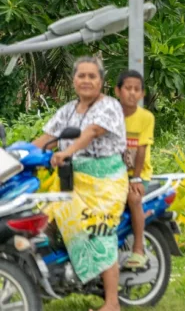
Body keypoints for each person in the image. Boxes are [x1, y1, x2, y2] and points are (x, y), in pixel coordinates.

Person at [33, 57, 127, 311]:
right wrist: (17, 156)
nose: (86, 81)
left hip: (105, 182)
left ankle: (112, 302)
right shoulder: (68, 110)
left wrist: (66, 152)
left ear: (101, 81)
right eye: (81, 76)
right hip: (73, 179)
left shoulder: (109, 107)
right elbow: (46, 138)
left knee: (99, 231)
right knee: (42, 218)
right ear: (73, 80)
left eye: (92, 76)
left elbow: (92, 133)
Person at [115, 70, 155, 269]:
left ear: (141, 94)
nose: (131, 93)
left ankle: (139, 249)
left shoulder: (145, 117)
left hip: (138, 174)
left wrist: (136, 179)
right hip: (114, 173)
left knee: (133, 198)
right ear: (118, 91)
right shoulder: (111, 115)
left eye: (136, 89)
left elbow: (141, 149)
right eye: (127, 88)